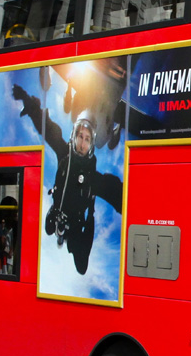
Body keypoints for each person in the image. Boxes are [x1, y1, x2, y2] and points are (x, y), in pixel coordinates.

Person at [13, 83, 122, 275]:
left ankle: (70, 233)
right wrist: (29, 103)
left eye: (87, 139)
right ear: (74, 136)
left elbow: (119, 194)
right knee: (55, 237)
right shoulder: (65, 154)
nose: (82, 143)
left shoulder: (93, 179)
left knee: (81, 265)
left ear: (91, 144)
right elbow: (48, 130)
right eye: (80, 137)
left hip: (77, 222)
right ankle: (59, 223)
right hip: (61, 214)